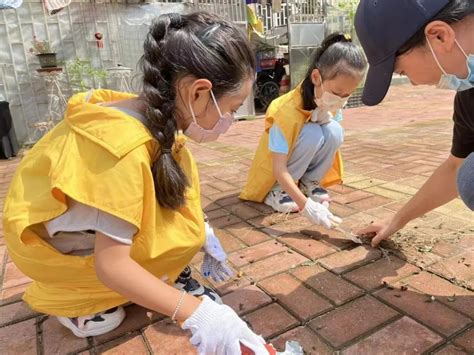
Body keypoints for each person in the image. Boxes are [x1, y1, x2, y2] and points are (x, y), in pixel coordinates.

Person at [3, 12, 268, 354]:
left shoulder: (156, 120)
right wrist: (196, 313)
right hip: (55, 250)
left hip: (87, 231)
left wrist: (200, 232)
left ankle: (160, 276)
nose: (230, 119)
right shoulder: (120, 150)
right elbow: (111, 265)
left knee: (182, 230)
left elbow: (172, 196)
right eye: (231, 107)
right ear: (198, 93)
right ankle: (75, 304)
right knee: (115, 298)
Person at [354, 0, 474, 246]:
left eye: (401, 72)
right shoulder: (468, 97)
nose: (413, 82)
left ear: (439, 36)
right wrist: (397, 220)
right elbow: (455, 167)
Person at [240, 33, 367, 229]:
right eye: (336, 93)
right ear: (316, 77)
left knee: (334, 130)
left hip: (293, 168)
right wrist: (305, 205)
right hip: (276, 173)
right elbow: (278, 168)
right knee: (312, 133)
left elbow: (331, 131)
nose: (341, 100)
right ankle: (277, 191)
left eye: (347, 95)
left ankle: (309, 182)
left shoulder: (329, 103)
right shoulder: (284, 111)